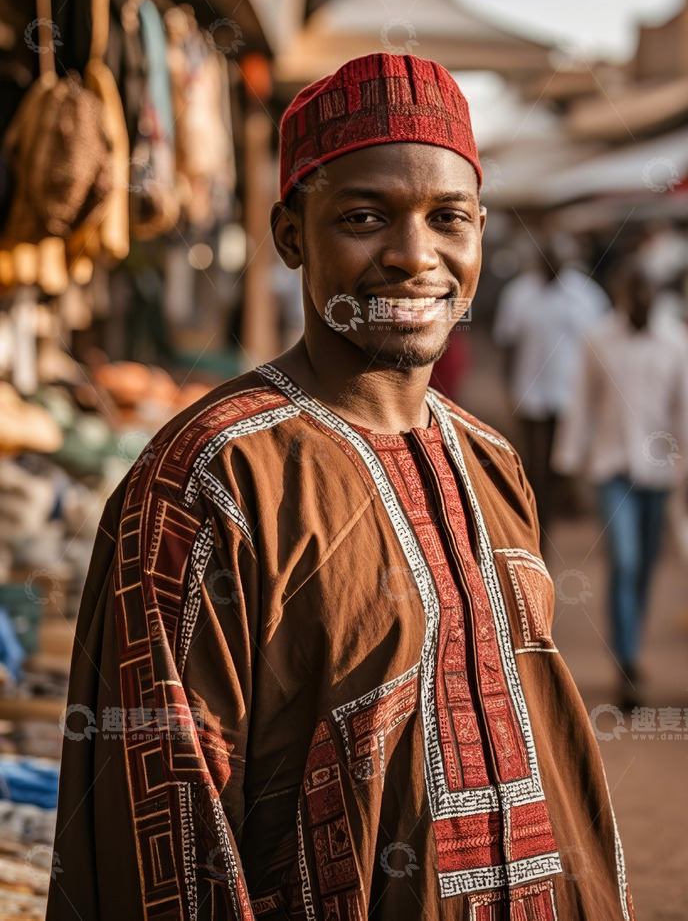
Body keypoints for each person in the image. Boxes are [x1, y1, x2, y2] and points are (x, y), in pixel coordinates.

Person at [47, 54, 635, 921]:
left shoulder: (493, 464)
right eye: (365, 216)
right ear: (292, 235)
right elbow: (165, 824)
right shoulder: (208, 481)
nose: (413, 256)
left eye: (449, 218)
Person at [552, 263, 688, 709]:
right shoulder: (597, 339)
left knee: (644, 566)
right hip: (612, 468)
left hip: (660, 474)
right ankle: (625, 660)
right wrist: (567, 464)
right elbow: (581, 402)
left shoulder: (678, 340)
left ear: (657, 296)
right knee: (623, 561)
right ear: (623, 296)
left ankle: (632, 644)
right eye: (633, 294)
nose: (640, 301)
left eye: (648, 294)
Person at [493, 238, 609, 545]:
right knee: (533, 464)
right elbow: (507, 343)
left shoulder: (585, 295)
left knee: (561, 463)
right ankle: (537, 528)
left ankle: (554, 514)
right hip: (530, 394)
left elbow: (601, 348)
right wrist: (508, 389)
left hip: (570, 396)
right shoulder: (519, 294)